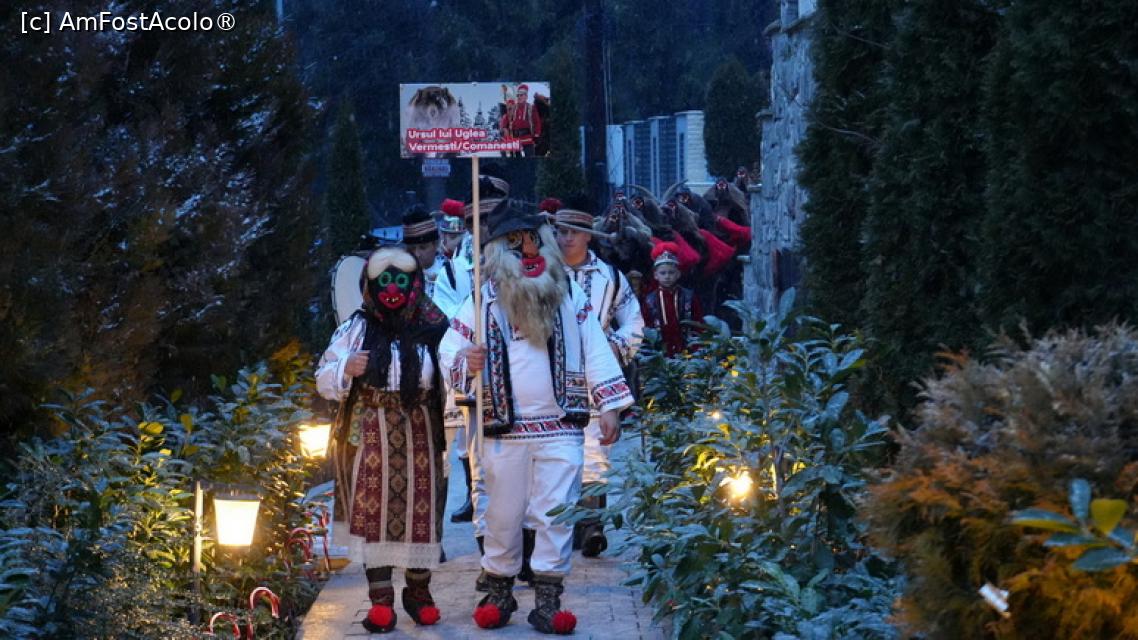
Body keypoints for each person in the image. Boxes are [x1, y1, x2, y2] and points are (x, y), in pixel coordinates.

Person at [439, 199, 633, 634]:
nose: (527, 251)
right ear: (497, 252)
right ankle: (499, 591)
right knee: (502, 513)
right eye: (515, 243)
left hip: (561, 427)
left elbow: (595, 347)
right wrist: (465, 359)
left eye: (533, 240)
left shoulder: (569, 294)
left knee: (554, 512)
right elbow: (449, 348)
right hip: (502, 430)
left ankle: (548, 599)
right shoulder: (481, 301)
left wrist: (609, 406)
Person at [316, 247, 450, 633]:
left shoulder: (434, 327)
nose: (392, 290)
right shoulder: (356, 328)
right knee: (373, 512)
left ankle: (418, 593)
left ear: (414, 285)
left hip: (421, 429)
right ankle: (381, 601)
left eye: (401, 282)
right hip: (372, 431)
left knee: (421, 510)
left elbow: (454, 367)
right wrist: (346, 367)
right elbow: (323, 376)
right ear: (371, 286)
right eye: (384, 282)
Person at [554, 208, 644, 558]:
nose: (567, 238)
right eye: (562, 232)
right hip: (553, 377)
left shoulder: (610, 278)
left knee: (595, 451)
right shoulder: (543, 273)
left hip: (596, 376)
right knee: (557, 453)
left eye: (574, 232)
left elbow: (633, 321)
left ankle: (592, 525)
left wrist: (615, 347)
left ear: (588, 236)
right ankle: (563, 525)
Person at [642, 241, 704, 356]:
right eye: (663, 273)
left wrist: (697, 348)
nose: (667, 276)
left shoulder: (688, 297)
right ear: (656, 275)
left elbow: (698, 323)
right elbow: (646, 326)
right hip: (659, 352)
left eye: (671, 272)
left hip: (687, 349)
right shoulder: (649, 301)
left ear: (678, 274)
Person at [401, 204, 444, 299]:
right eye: (412, 249)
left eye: (423, 247)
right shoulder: (400, 277)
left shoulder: (452, 273)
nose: (417, 254)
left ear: (436, 244)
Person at [498, 84, 542, 157]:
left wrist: (536, 135)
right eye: (518, 95)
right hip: (515, 140)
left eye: (521, 95)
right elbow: (506, 118)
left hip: (527, 139)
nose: (519, 97)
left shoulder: (531, 108)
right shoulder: (513, 107)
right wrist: (504, 128)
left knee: (530, 159)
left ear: (526, 96)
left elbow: (537, 122)